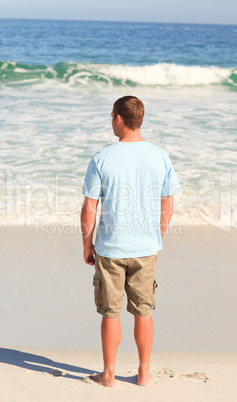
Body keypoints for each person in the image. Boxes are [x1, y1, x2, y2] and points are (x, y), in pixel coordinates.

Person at [80, 96, 180, 387]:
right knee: (143, 311)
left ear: (119, 119)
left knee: (110, 313)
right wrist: (155, 236)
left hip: (110, 249)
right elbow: (168, 206)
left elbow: (89, 208)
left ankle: (108, 375)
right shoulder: (160, 155)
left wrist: (87, 245)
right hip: (146, 249)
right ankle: (144, 373)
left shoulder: (102, 157)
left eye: (112, 116)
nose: (111, 120)